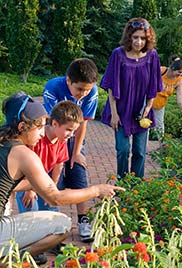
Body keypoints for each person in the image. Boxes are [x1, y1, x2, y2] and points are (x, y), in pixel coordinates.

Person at [0, 92, 124, 265]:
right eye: (40, 127)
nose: (43, 134)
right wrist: (96, 190)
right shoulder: (24, 154)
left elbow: (8, 184)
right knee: (62, 225)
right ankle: (9, 260)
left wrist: (36, 185)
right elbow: (55, 198)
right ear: (22, 127)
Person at [43, 58, 99, 242]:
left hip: (75, 138)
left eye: (87, 89)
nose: (83, 94)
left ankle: (83, 220)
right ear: (69, 81)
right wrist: (60, 154)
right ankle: (53, 222)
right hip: (54, 138)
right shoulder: (53, 88)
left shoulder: (92, 92)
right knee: (53, 177)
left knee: (78, 172)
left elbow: (83, 124)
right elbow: (53, 124)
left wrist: (76, 153)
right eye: (79, 89)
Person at [100, 17, 163, 180]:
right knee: (122, 150)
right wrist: (114, 113)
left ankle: (136, 186)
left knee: (140, 152)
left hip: (142, 110)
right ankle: (123, 183)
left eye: (143, 38)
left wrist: (147, 110)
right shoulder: (118, 54)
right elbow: (111, 86)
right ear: (129, 36)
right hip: (120, 110)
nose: (139, 42)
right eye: (136, 37)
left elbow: (154, 87)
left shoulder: (152, 56)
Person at [15, 100, 83, 214]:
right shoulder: (36, 138)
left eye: (74, 131)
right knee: (31, 214)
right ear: (55, 124)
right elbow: (25, 167)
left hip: (43, 179)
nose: (71, 135)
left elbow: (58, 165)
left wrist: (53, 188)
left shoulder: (61, 141)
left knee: (52, 211)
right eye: (68, 130)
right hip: (25, 180)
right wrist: (30, 189)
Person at [152, 54, 182, 138]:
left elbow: (179, 98)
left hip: (160, 105)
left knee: (159, 128)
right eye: (179, 72)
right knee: (144, 125)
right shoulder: (161, 71)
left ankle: (161, 147)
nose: (180, 75)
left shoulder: (179, 81)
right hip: (148, 101)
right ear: (173, 68)